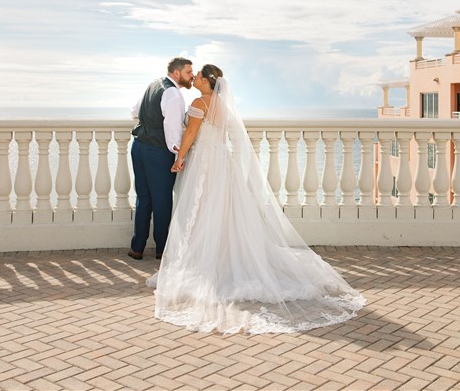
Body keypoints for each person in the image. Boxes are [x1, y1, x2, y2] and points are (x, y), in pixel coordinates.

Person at [147, 65, 366, 334]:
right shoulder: (223, 105)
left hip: (204, 163)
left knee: (202, 209)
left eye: (199, 76)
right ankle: (223, 259)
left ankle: (207, 266)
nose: (195, 79)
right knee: (225, 211)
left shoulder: (199, 101)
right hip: (221, 162)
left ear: (206, 81)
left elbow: (190, 135)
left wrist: (179, 159)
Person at [128, 57, 193, 260]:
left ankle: (137, 247)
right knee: (162, 200)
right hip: (157, 152)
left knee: (143, 197)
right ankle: (162, 250)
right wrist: (178, 156)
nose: (192, 76)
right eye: (188, 72)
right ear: (176, 73)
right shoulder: (173, 94)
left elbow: (135, 111)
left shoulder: (154, 84)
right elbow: (172, 131)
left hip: (138, 147)